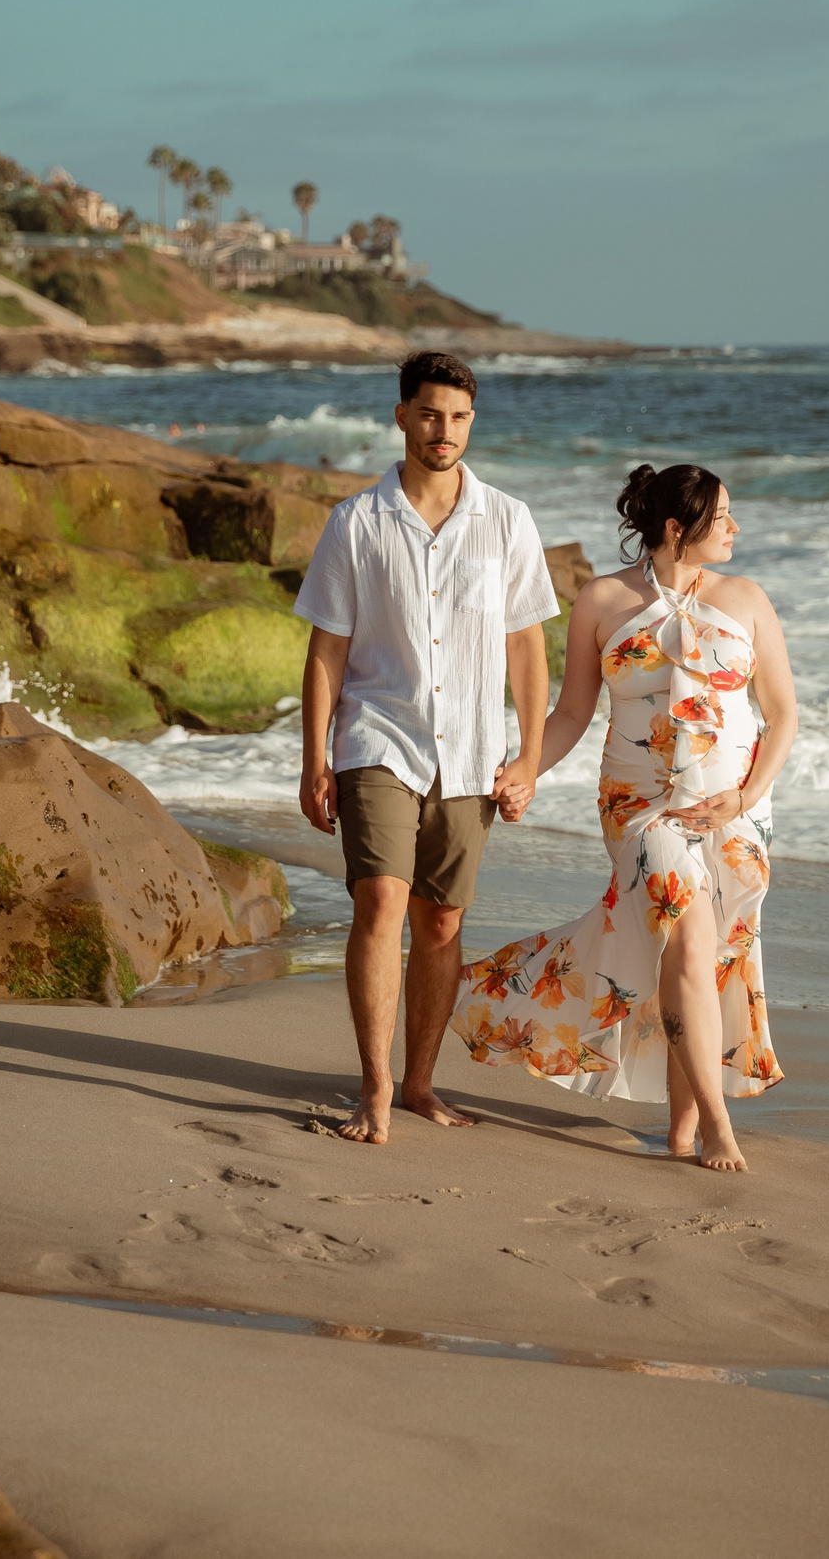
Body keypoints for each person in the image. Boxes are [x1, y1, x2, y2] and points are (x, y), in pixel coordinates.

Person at [453, 464, 798, 1172]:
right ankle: (718, 1128)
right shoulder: (603, 600)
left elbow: (784, 713)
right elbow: (575, 711)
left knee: (702, 957)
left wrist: (746, 791)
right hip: (640, 809)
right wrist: (524, 769)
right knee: (689, 929)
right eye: (723, 515)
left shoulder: (749, 598)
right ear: (677, 528)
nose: (735, 527)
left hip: (737, 807)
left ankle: (681, 1125)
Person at [294, 351, 560, 1144]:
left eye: (458, 417)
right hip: (379, 735)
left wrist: (529, 758)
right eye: (430, 414)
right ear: (402, 415)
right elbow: (326, 651)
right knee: (380, 899)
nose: (444, 431)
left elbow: (527, 650)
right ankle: (374, 1090)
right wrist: (315, 757)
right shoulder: (357, 522)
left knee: (441, 921)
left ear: (471, 422)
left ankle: (418, 1083)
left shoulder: (507, 521)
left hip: (473, 750)